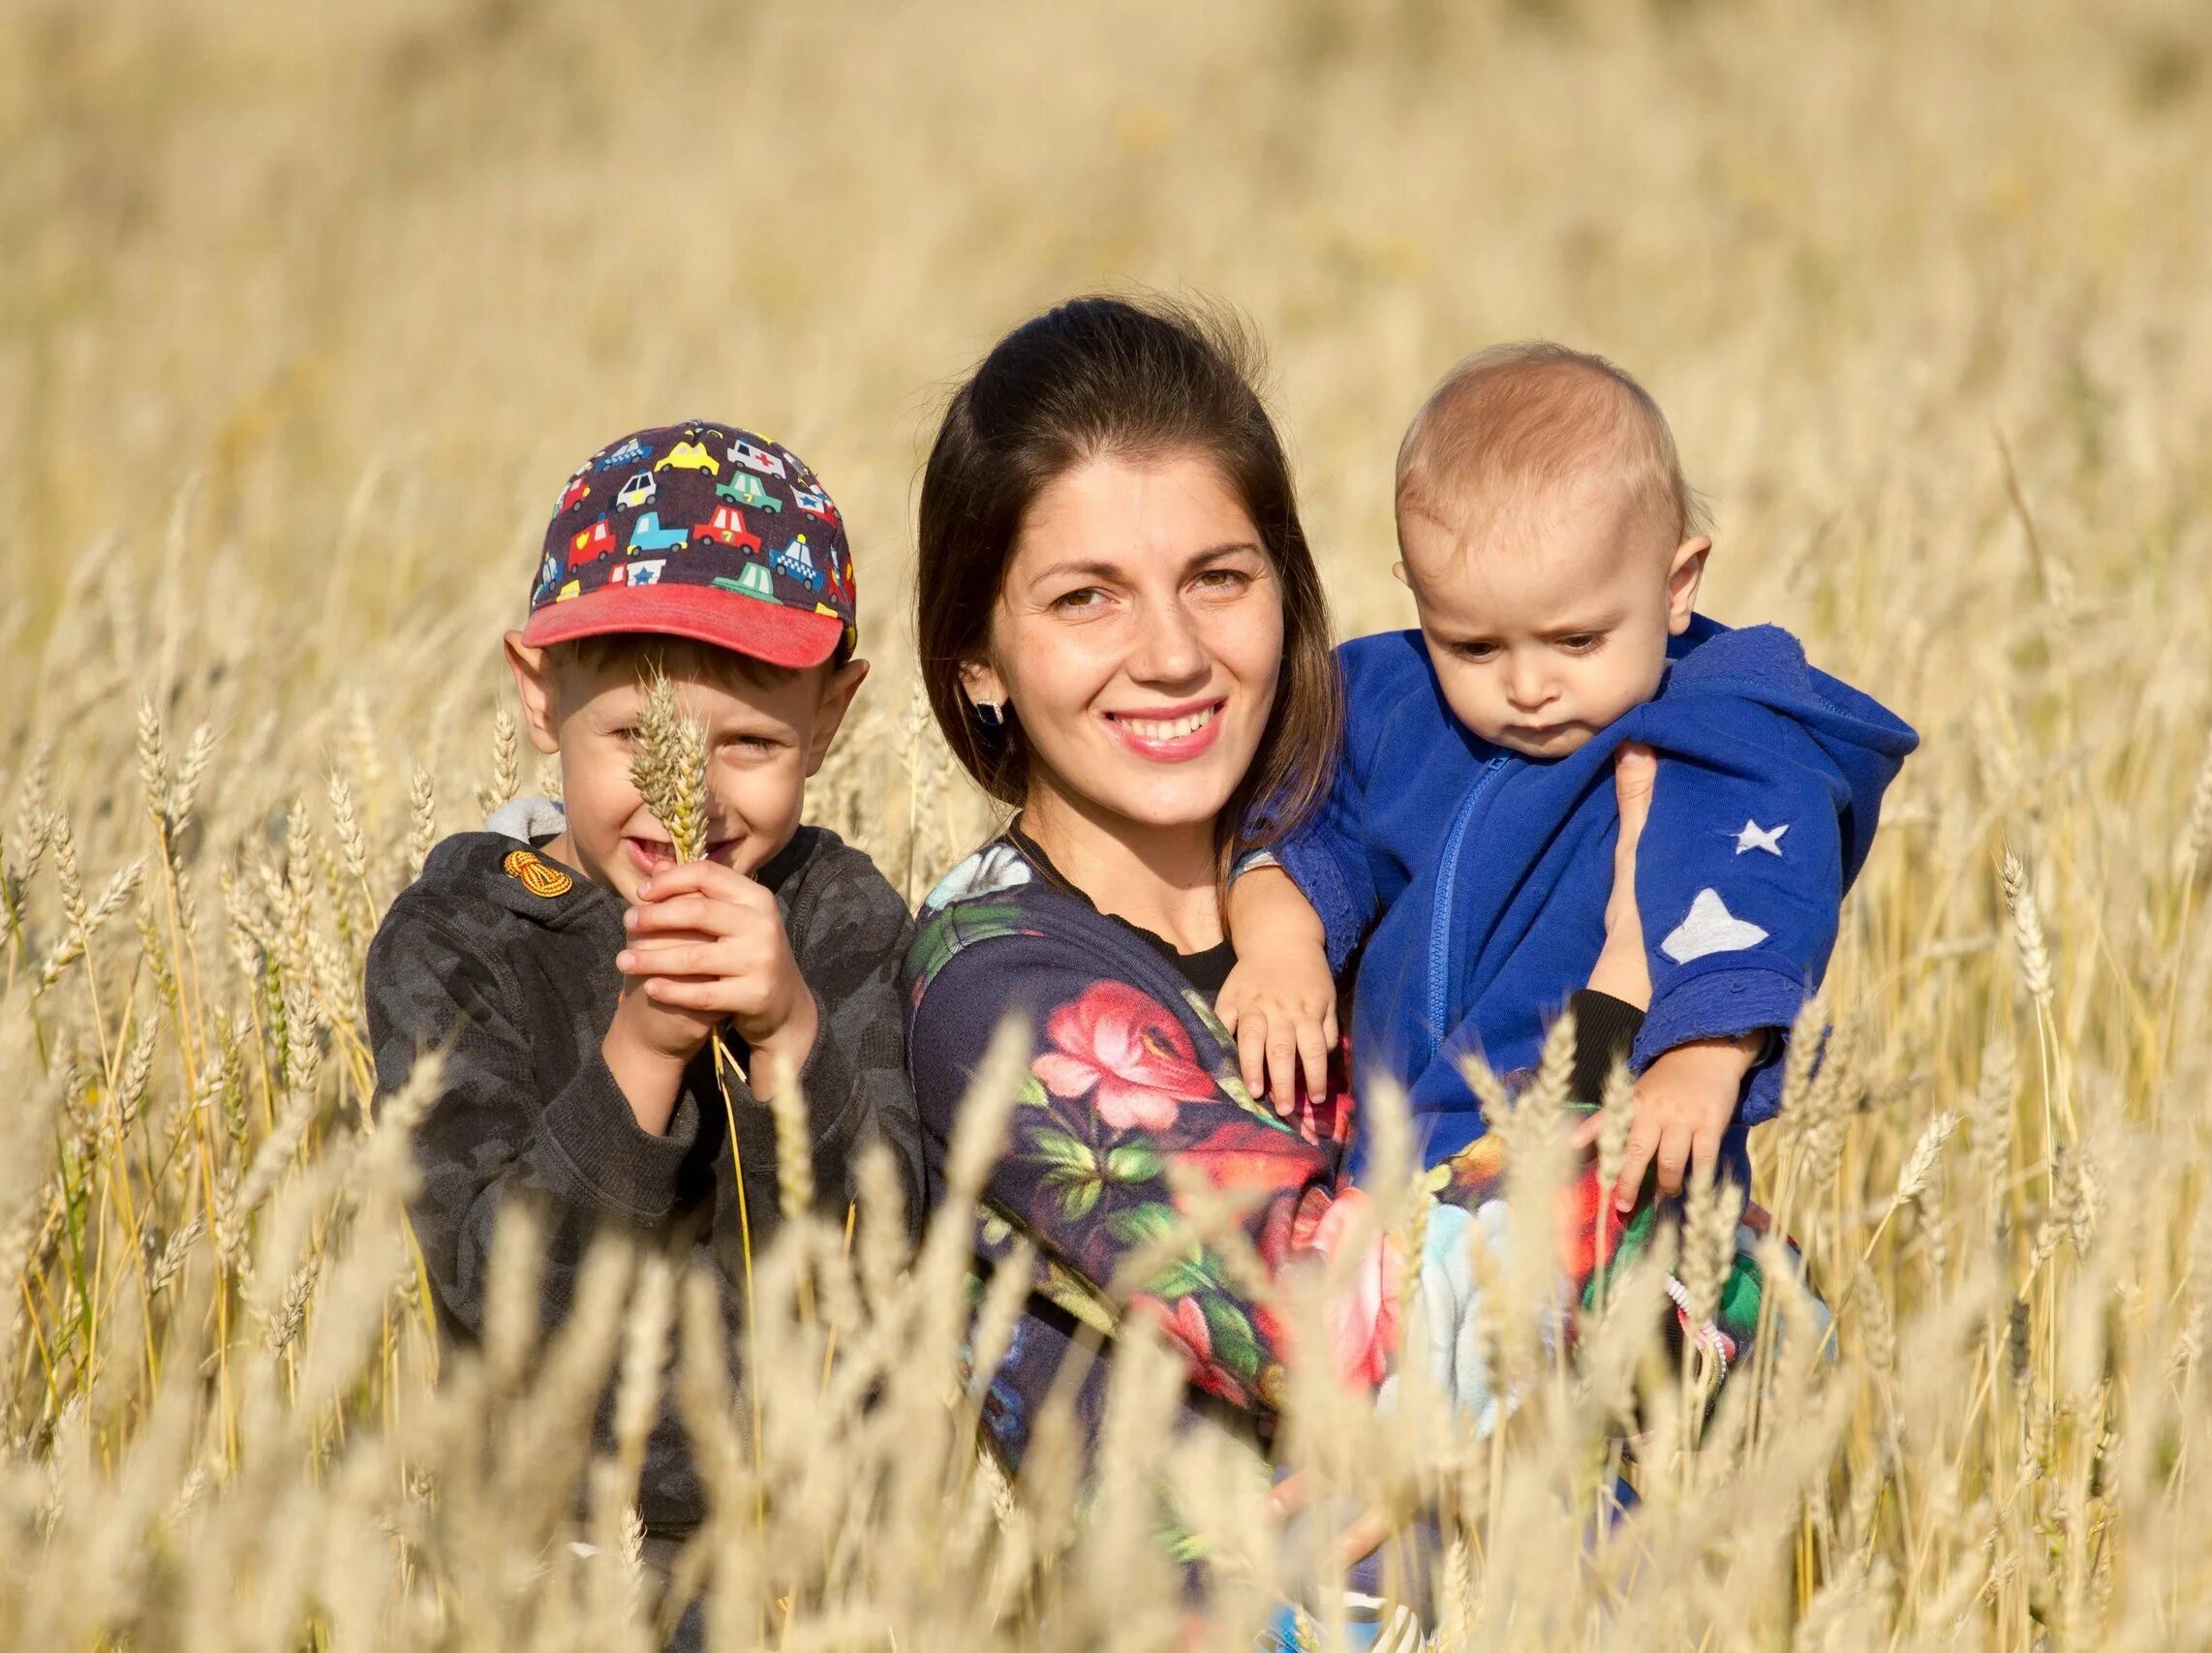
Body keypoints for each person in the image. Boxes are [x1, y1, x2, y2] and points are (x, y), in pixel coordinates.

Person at [903, 301, 1695, 1629]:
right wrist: (1626, 1019)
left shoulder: (1394, 886)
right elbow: (1355, 1328)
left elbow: (1765, 1298)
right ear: (977, 659)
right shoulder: (1000, 985)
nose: (1171, 652)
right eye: (1085, 596)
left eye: (1219, 576)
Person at [365, 419, 924, 1648]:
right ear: (535, 692)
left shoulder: (835, 921)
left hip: (812, 1545)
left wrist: (786, 1032)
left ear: (832, 716)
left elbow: (880, 1249)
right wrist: (644, 1054)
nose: (695, 800)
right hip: (544, 1549)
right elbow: (491, 1285)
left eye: (754, 744)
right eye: (636, 739)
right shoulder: (460, 940)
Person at [1219, 343, 1917, 1211]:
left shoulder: (1719, 726)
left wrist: (1705, 1057)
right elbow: (1299, 827)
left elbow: (1752, 892)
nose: (1527, 685)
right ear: (1419, 597)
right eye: (1473, 644)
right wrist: (1281, 942)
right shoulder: (1391, 705)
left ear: (1676, 583)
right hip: (1404, 1175)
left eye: (1577, 640)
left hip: (1607, 1164)